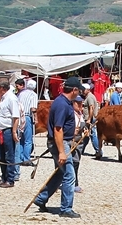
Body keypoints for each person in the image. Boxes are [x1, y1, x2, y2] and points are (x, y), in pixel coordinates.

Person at [32, 77, 82, 219]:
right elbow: (58, 129)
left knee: (60, 174)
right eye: (78, 90)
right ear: (74, 90)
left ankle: (41, 198)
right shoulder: (62, 104)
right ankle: (66, 208)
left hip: (61, 142)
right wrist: (61, 152)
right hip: (60, 144)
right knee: (69, 175)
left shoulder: (63, 102)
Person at [0, 79, 19, 188]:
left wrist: (14, 132)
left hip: (8, 129)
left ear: (2, 88)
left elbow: (15, 117)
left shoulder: (12, 99)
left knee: (9, 155)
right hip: (1, 130)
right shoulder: (3, 99)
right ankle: (4, 177)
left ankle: (10, 179)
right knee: (1, 155)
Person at [18, 79, 38, 166]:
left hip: (19, 117)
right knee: (28, 140)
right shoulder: (33, 94)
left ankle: (20, 157)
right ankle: (26, 159)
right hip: (27, 116)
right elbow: (33, 108)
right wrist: (36, 118)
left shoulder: (20, 94)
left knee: (21, 139)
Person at [71, 95, 86, 193]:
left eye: (81, 103)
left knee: (76, 162)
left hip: (79, 141)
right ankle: (73, 183)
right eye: (78, 103)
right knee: (72, 163)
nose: (81, 105)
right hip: (73, 141)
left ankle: (74, 182)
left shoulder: (80, 114)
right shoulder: (71, 114)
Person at [81, 84, 100, 157]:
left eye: (83, 89)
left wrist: (89, 118)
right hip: (89, 118)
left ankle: (98, 150)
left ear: (88, 90)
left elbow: (91, 108)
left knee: (92, 135)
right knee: (86, 134)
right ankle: (81, 149)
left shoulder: (90, 97)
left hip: (90, 119)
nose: (82, 91)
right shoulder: (88, 97)